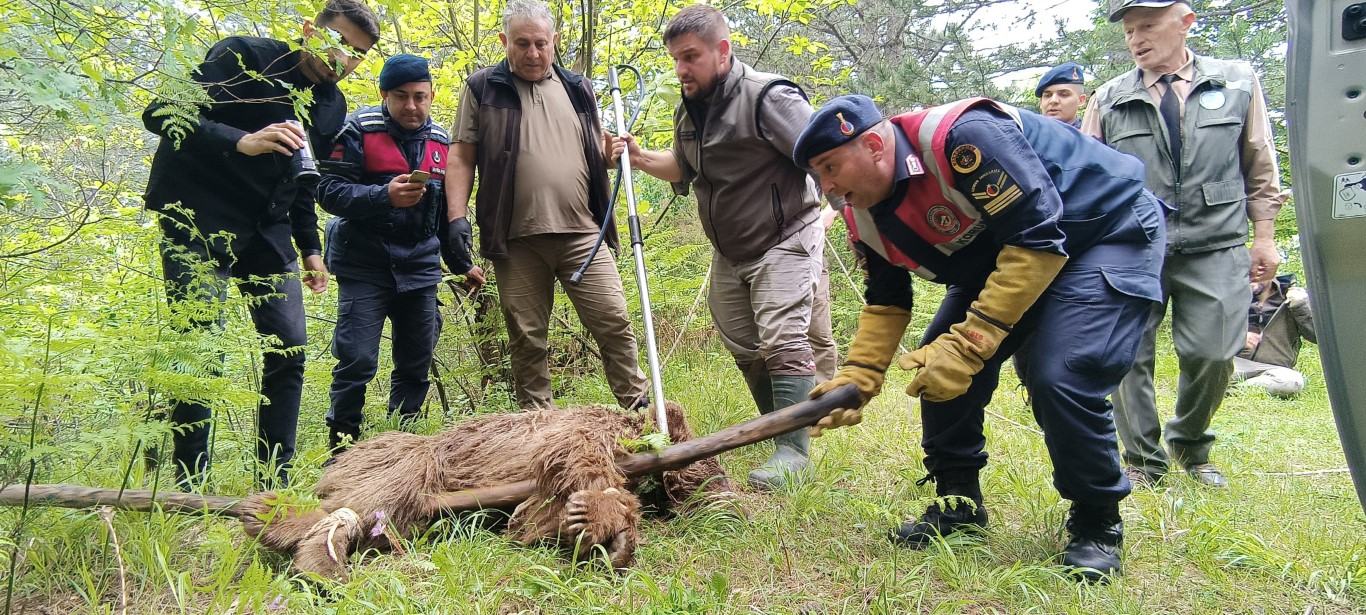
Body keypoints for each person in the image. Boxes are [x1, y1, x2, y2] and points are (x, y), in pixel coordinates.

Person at [798, 94, 1166, 581]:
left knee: (1062, 375)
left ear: (872, 144)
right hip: (1009, 258)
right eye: (817, 176)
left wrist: (972, 342)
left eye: (830, 166)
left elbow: (1038, 233)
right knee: (938, 371)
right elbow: (887, 300)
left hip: (1103, 232)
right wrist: (861, 373)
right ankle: (959, 507)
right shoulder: (860, 214)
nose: (827, 187)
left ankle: (1098, 523)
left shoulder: (962, 138)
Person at [141, 0, 379, 490]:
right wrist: (241, 140)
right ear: (310, 30)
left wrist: (310, 246)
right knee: (200, 345)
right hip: (197, 216)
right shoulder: (242, 56)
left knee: (290, 346)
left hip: (266, 230)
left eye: (356, 54)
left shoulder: (329, 104)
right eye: (338, 43)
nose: (343, 60)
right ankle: (191, 487)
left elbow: (299, 176)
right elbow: (161, 112)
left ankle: (275, 479)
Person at [611, 4, 824, 491]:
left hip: (786, 235)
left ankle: (793, 451)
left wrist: (846, 212)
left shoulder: (768, 97)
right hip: (730, 251)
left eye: (690, 57)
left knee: (782, 337)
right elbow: (683, 171)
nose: (681, 69)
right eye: (675, 60)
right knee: (744, 345)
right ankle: (785, 429)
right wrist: (641, 157)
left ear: (722, 50)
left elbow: (819, 154)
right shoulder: (688, 111)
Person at [1081, 0, 1286, 488]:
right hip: (1133, 246)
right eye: (1129, 31)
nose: (1136, 39)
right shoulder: (1109, 98)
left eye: (1147, 26)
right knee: (1127, 354)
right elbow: (1087, 176)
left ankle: (1189, 442)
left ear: (1186, 23)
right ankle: (1142, 459)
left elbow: (1259, 165)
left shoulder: (1235, 82)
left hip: (1216, 242)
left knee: (1215, 352)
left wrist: (1265, 238)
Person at [445, 0, 647, 412]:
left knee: (614, 321)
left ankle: (640, 410)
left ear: (554, 41)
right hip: (517, 241)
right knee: (527, 339)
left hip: (583, 233)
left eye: (541, 43)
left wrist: (615, 152)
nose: (533, 53)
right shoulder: (482, 88)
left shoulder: (578, 87)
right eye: (522, 43)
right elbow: (461, 155)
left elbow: (598, 152)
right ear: (504, 42)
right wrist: (456, 217)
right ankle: (539, 429)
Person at [316, 54, 481, 458]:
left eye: (420, 97)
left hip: (420, 267)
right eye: (401, 97)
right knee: (356, 360)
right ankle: (341, 450)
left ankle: (401, 448)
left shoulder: (442, 143)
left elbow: (444, 215)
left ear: (431, 95)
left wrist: (462, 265)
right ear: (384, 95)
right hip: (363, 264)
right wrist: (382, 194)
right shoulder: (357, 130)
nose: (412, 106)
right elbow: (328, 192)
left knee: (416, 359)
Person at [1234, 275, 1315, 397]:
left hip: (1273, 369)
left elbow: (1317, 336)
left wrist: (1300, 307)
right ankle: (1236, 387)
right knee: (1199, 372)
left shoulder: (1295, 296)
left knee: (1291, 382)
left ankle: (1230, 389)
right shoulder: (1230, 294)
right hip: (1233, 364)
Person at [1036, 61, 1088, 127]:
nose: (1053, 100)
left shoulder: (1090, 135)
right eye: (1048, 95)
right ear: (1041, 102)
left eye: (1063, 95)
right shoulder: (1027, 135)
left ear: (1081, 100)